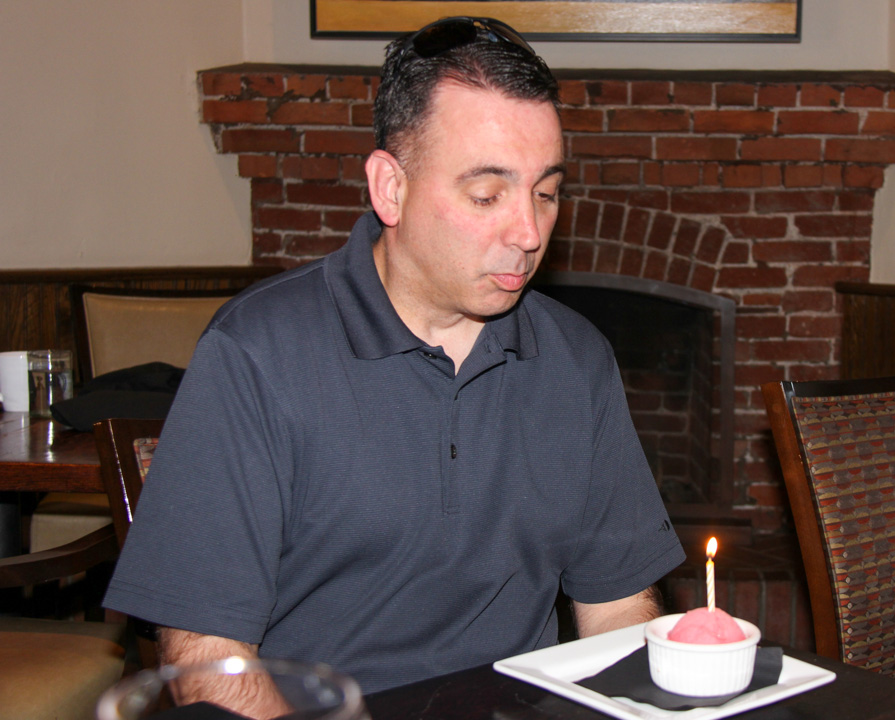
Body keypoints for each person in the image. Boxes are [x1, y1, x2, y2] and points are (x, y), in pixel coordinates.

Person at [103, 15, 685, 710]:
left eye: (546, 192)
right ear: (390, 188)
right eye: (486, 195)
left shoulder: (577, 359)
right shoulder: (256, 351)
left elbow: (618, 607)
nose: (529, 232)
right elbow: (208, 659)